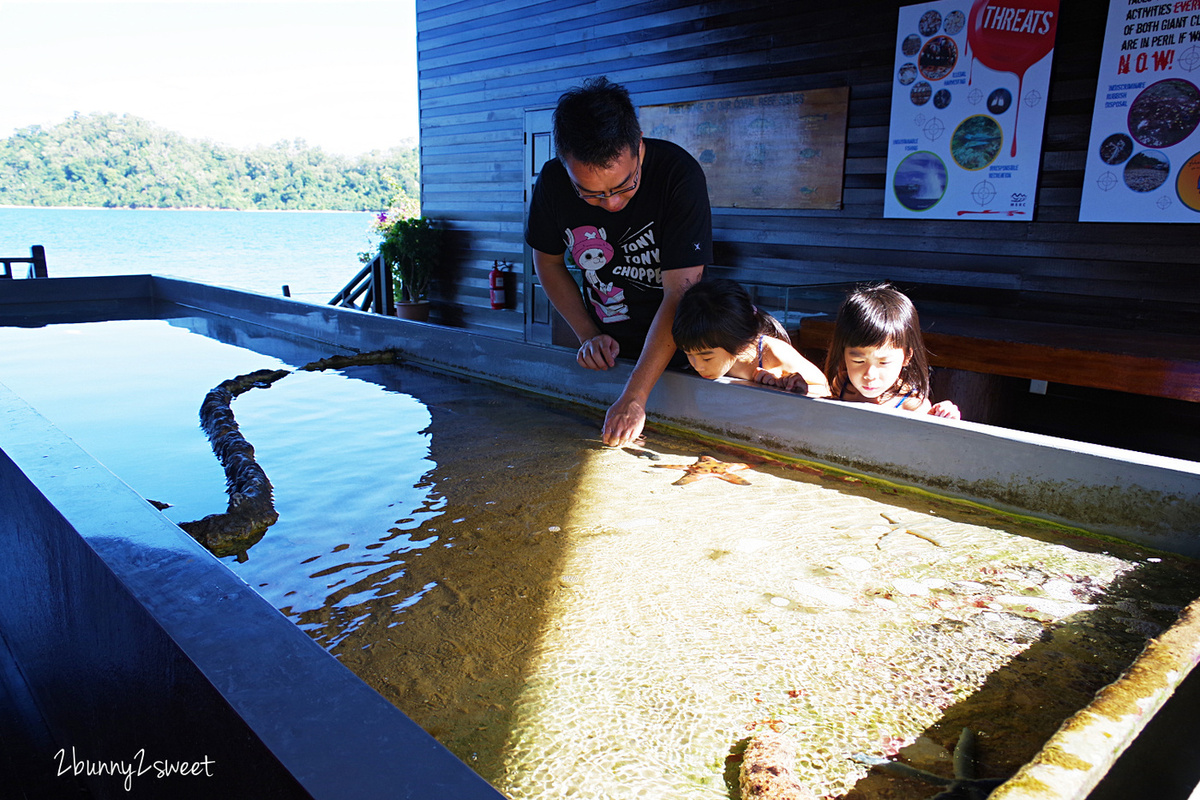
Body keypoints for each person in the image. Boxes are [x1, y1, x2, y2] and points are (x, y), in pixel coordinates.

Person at [524, 77, 712, 447]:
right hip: (609, 344)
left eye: (625, 185)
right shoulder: (553, 183)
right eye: (591, 194)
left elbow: (680, 293)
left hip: (686, 350)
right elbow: (547, 262)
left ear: (638, 145)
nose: (611, 203)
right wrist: (588, 335)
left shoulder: (678, 175)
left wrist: (635, 396)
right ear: (565, 166)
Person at [822, 284, 961, 418]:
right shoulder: (843, 384)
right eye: (858, 361)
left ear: (907, 356)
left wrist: (943, 415)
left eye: (884, 362)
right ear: (843, 354)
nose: (870, 374)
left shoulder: (912, 405)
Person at [671, 278, 829, 395]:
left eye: (706, 358)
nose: (697, 366)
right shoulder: (700, 343)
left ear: (740, 344)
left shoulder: (772, 354)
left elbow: (824, 390)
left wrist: (792, 386)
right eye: (688, 354)